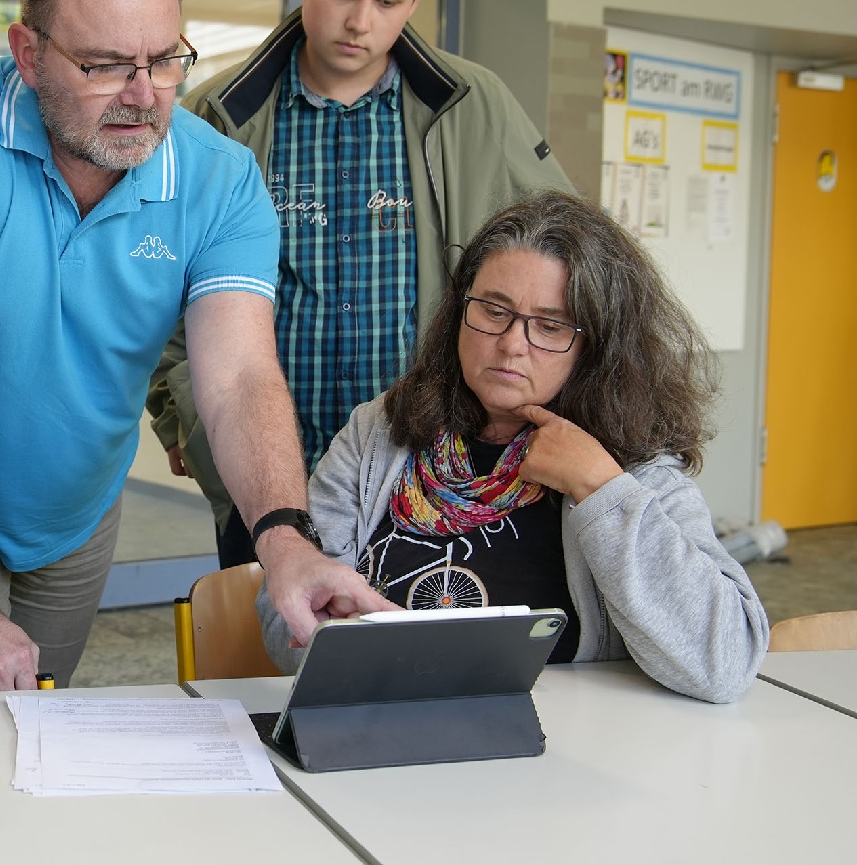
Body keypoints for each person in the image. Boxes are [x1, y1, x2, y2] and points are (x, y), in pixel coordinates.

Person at [0, 0, 393, 693]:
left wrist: (286, 542)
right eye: (104, 66)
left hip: (75, 506)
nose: (144, 95)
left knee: (43, 713)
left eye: (165, 61)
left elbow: (238, 379)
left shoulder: (220, 178)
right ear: (29, 54)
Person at [149, 0, 574, 567]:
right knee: (271, 634)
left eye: (386, 1)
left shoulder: (476, 107)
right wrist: (179, 416)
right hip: (264, 473)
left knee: (418, 633)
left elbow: (566, 255)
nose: (360, 22)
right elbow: (153, 277)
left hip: (427, 475)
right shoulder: (215, 117)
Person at [257, 191, 770, 703]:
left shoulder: (631, 466)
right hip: (384, 718)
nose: (511, 343)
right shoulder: (380, 432)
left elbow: (724, 665)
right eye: (493, 310)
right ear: (460, 311)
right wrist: (335, 643)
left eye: (550, 325)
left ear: (596, 347)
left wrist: (600, 488)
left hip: (568, 739)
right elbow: (286, 618)